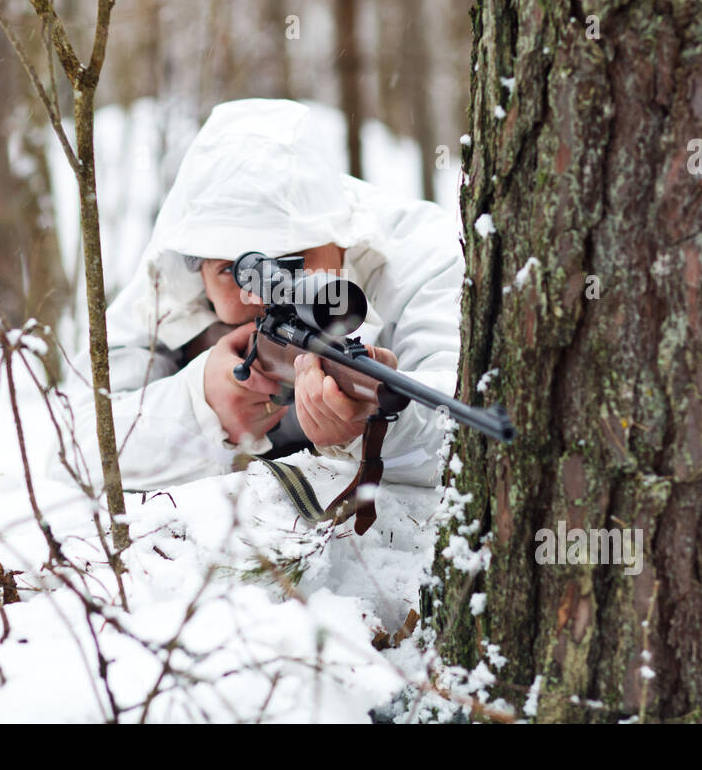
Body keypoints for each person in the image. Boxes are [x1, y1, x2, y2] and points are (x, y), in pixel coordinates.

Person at [73, 98, 463, 492]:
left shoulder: (424, 256)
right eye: (232, 270)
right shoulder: (175, 277)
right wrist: (201, 406)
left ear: (342, 241)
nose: (262, 296)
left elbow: (464, 436)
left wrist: (372, 428)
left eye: (292, 260)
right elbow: (76, 444)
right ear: (200, 274)